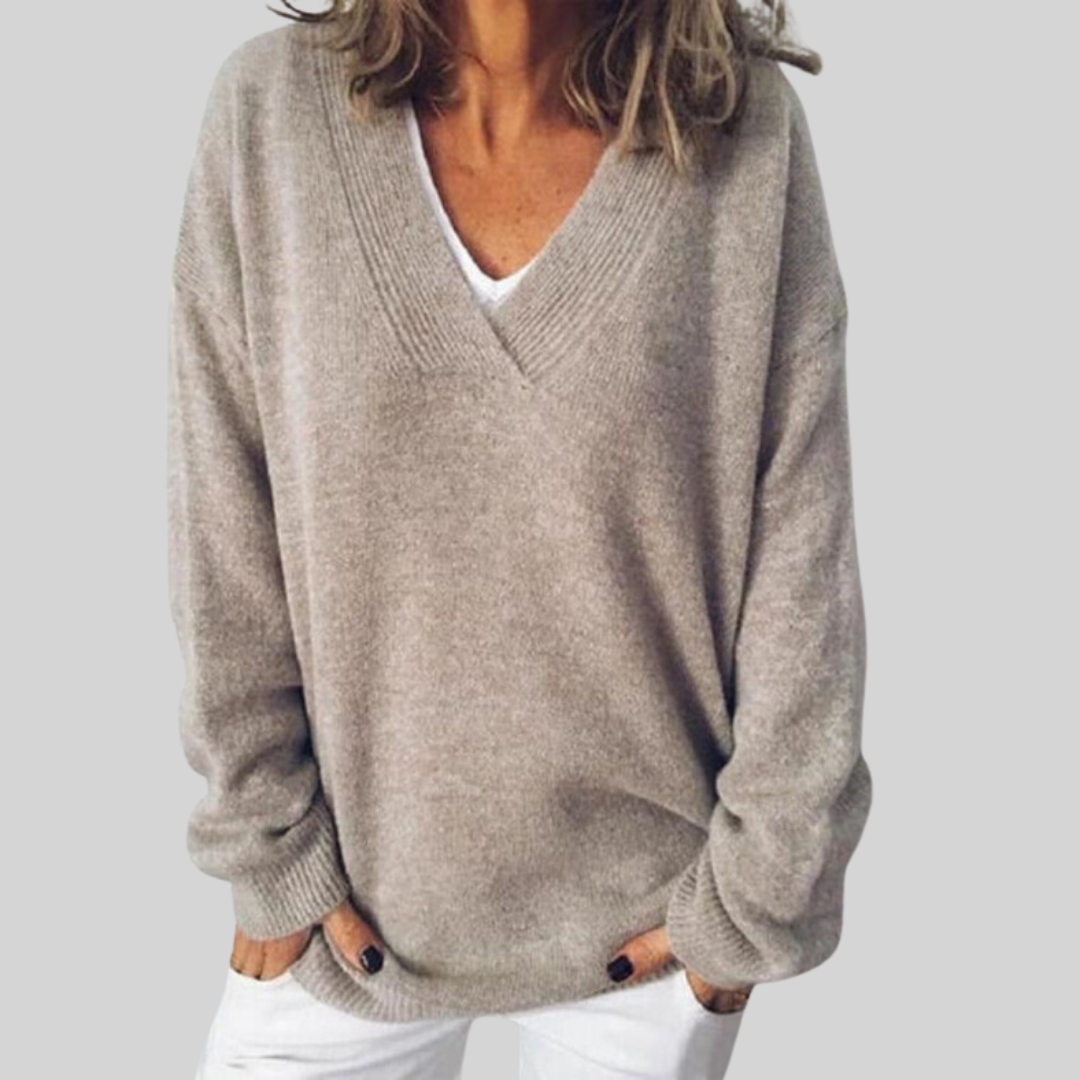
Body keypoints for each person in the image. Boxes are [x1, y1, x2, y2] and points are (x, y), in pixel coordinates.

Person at [166, 1, 873, 1076]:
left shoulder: (739, 130)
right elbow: (223, 527)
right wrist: (270, 854)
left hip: (649, 939)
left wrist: (752, 903)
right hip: (338, 921)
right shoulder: (267, 120)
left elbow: (801, 553)